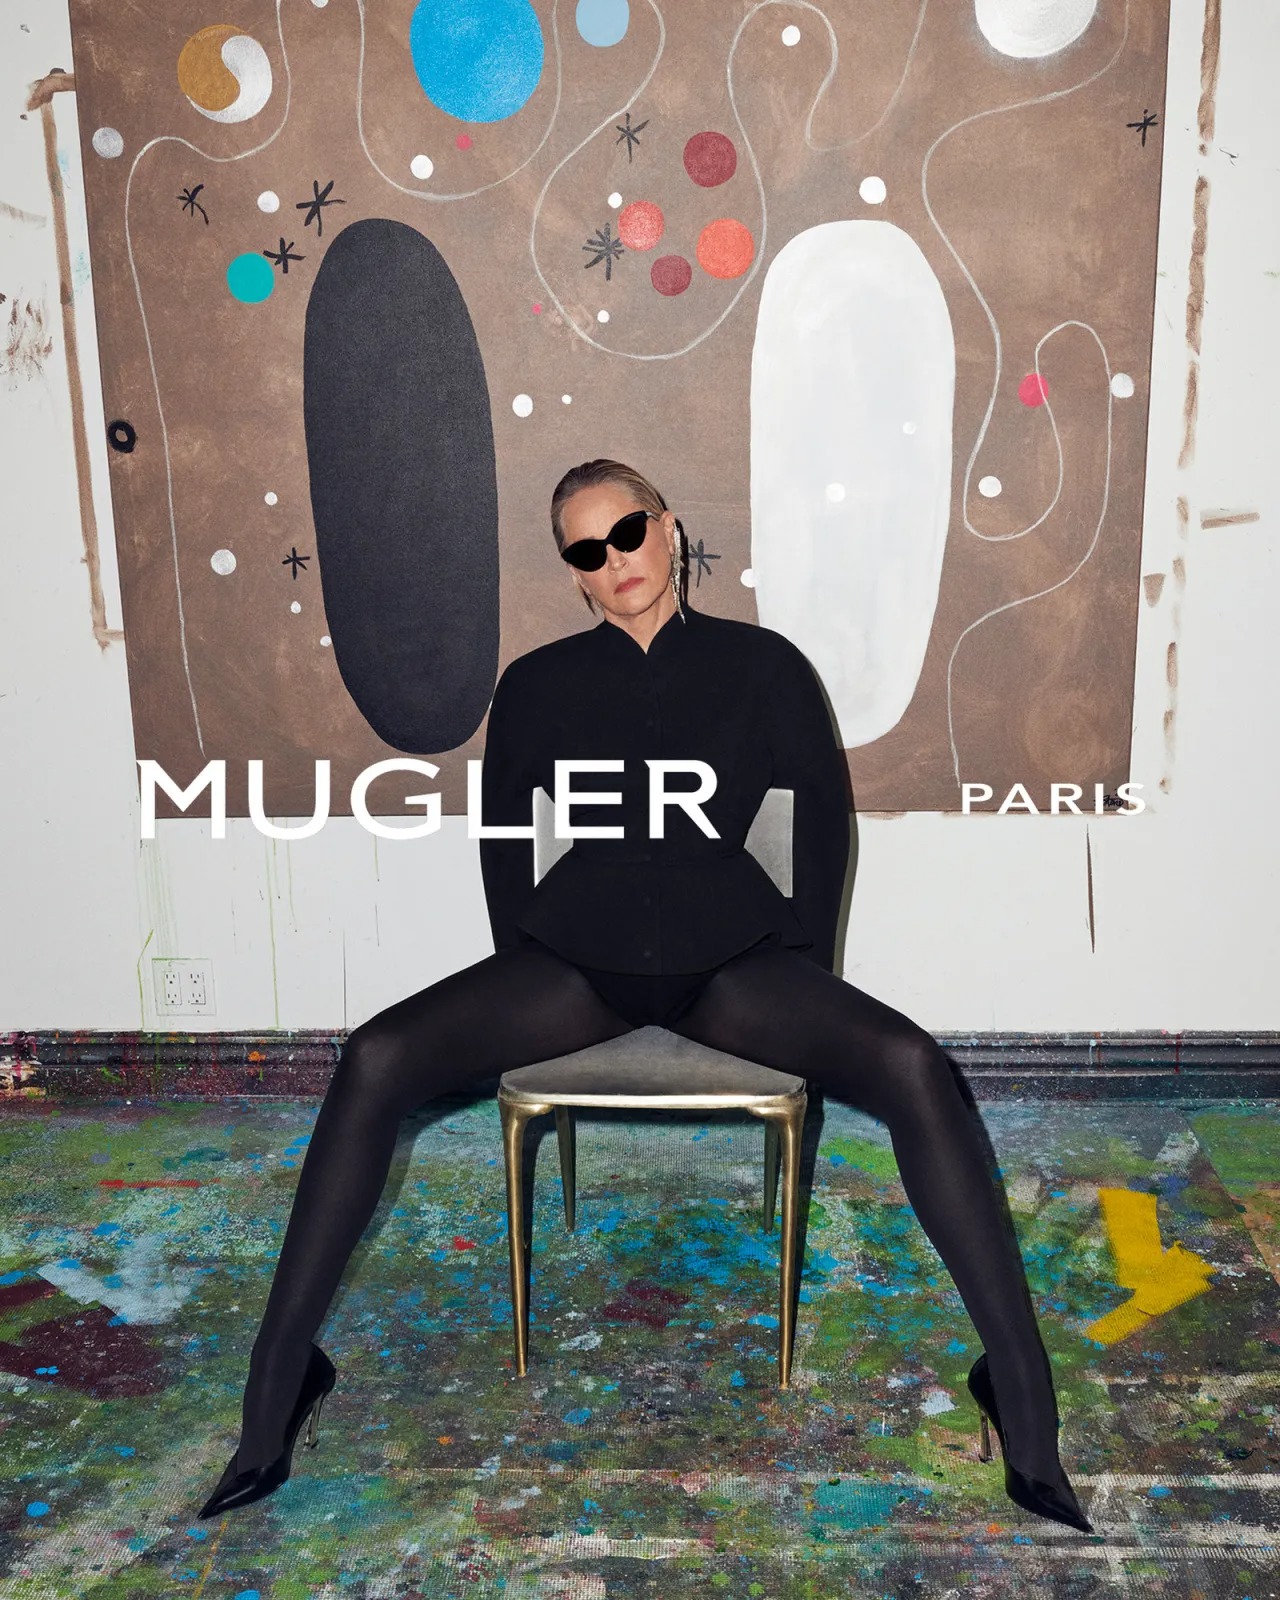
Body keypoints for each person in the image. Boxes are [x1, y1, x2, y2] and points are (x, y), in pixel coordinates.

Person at [198, 459, 1093, 1534]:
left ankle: (1021, 1396)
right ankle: (276, 1390)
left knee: (914, 1067)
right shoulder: (536, 683)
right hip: (578, 969)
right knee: (374, 1057)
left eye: (626, 532)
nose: (614, 560)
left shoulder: (763, 666)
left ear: (667, 527)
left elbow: (820, 835)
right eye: (586, 550)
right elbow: (505, 847)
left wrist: (802, 977)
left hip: (732, 968)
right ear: (574, 573)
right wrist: (528, 973)